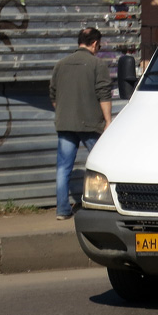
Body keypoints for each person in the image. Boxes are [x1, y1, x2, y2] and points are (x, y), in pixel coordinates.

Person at [49, 27, 112, 220]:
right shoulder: (97, 64)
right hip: (90, 124)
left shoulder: (61, 64)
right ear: (94, 44)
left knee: (63, 167)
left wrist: (64, 113)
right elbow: (104, 94)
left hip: (65, 123)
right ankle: (104, 205)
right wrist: (108, 121)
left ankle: (62, 209)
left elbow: (53, 95)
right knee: (102, 164)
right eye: (99, 46)